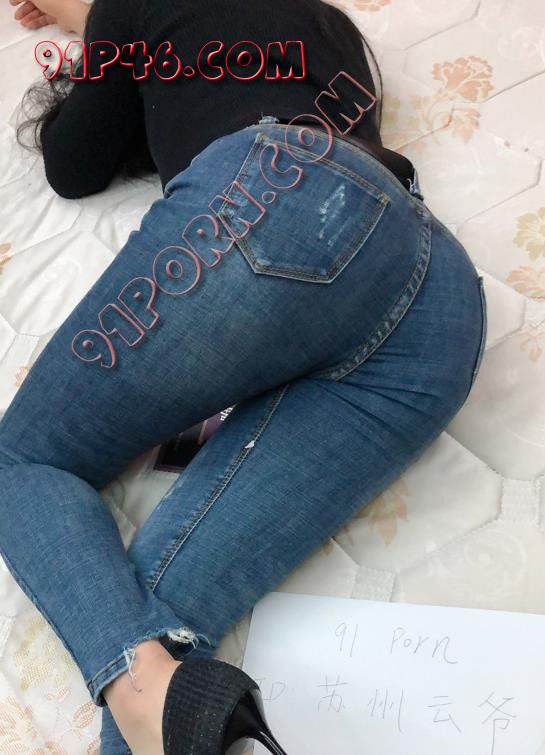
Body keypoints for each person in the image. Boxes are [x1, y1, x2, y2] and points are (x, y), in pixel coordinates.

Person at [2, 0, 488, 753]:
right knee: (158, 635)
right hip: (440, 299)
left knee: (18, 460)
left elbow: (73, 166)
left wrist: (86, 20)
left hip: (285, 205)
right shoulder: (329, 25)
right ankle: (154, 701)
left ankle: (142, 690)